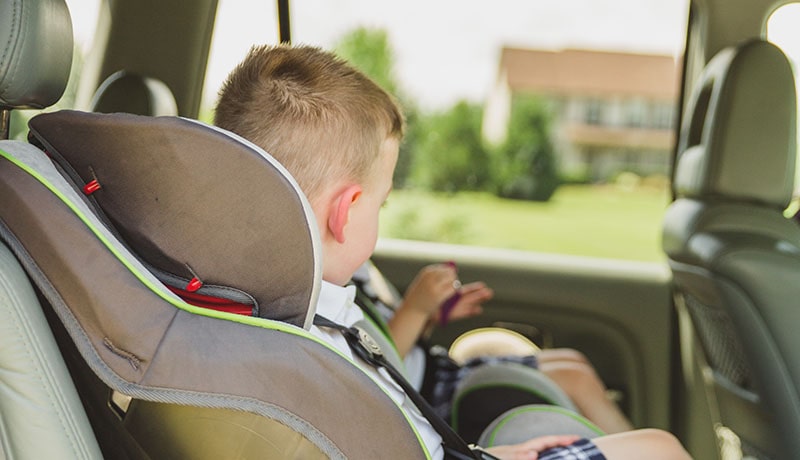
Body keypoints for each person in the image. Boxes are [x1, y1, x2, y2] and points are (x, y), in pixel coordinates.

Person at [214, 43, 692, 460]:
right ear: (347, 211)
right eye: (382, 203)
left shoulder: (259, 310)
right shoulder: (317, 340)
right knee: (660, 448)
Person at [353, 259, 634, 434]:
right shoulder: (335, 285)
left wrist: (431, 316)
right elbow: (374, 361)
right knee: (575, 379)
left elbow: (390, 337)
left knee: (573, 362)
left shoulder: (361, 270)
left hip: (437, 370)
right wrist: (414, 308)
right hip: (424, 398)